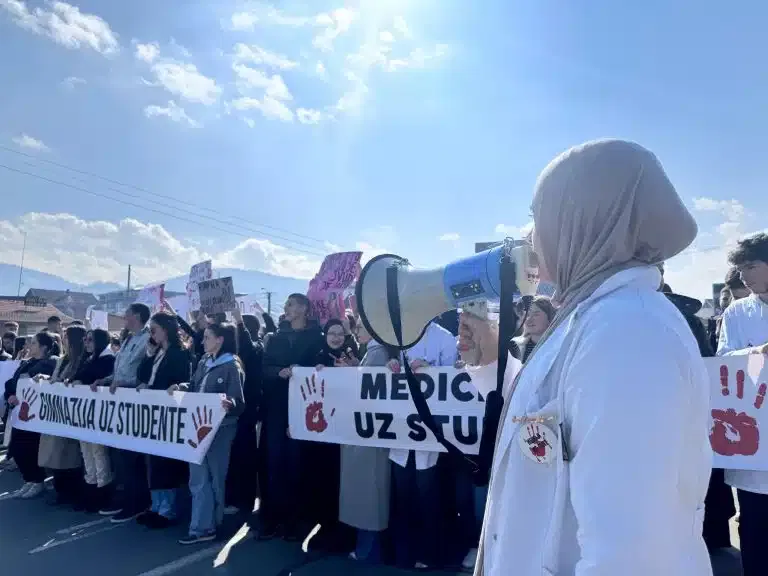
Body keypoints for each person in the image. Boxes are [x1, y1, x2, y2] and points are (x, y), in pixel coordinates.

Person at [460, 139, 711, 575]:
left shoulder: (628, 330)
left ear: (580, 218)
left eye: (537, 217)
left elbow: (628, 553)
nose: (530, 237)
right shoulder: (594, 317)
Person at [716, 232, 768, 576]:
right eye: (740, 268)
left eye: (750, 265)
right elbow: (723, 362)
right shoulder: (737, 312)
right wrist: (756, 353)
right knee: (755, 525)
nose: (743, 275)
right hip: (755, 437)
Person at [388, 319, 457, 570]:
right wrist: (392, 365)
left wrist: (431, 370)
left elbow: (453, 380)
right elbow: (390, 372)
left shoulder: (446, 338)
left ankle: (429, 554)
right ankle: (403, 553)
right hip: (400, 432)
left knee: (428, 498)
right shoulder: (399, 335)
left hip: (429, 435)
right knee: (402, 498)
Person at [169, 322, 245, 545]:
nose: (202, 341)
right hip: (198, 426)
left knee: (215, 477)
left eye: (207, 337)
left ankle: (212, 522)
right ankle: (201, 526)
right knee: (198, 478)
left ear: (220, 339)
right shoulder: (204, 362)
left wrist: (229, 403)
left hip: (221, 429)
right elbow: (193, 386)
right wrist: (181, 387)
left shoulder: (232, 365)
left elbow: (239, 402)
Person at [260, 294, 324, 541]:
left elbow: (323, 367)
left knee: (299, 463)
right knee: (274, 463)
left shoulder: (316, 338)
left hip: (307, 408)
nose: (286, 308)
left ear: (304, 308)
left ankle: (297, 520)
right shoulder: (275, 338)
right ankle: (271, 517)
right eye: (286, 305)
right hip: (277, 408)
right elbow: (264, 369)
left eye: (290, 304)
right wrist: (280, 372)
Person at [338, 321, 394, 563]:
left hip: (368, 438)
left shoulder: (376, 353)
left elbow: (366, 391)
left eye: (360, 328)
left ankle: (368, 551)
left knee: (369, 497)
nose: (356, 332)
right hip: (368, 435)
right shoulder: (374, 353)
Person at [135, 312, 191, 529]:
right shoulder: (158, 351)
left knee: (165, 463)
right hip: (153, 412)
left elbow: (180, 380)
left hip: (168, 413)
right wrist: (149, 353)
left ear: (165, 330)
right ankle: (155, 506)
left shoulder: (179, 353)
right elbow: (143, 374)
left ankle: (167, 510)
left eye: (154, 330)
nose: (151, 334)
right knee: (153, 461)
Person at [98, 303, 152, 523]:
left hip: (135, 405)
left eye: (127, 315)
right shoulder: (129, 339)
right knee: (121, 456)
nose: (124, 318)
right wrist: (107, 380)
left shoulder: (148, 340)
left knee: (133, 457)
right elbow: (119, 371)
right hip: (119, 404)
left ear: (137, 316)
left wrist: (122, 382)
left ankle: (137, 501)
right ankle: (126, 496)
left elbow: (144, 376)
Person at [36, 325, 87, 507]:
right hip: (56, 413)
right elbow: (55, 379)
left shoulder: (81, 359)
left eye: (66, 337)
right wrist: (45, 378)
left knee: (68, 454)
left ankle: (70, 492)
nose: (63, 340)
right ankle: (60, 491)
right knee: (54, 453)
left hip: (70, 414)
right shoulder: (63, 359)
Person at [4, 331, 58, 499]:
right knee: (18, 448)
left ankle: (37, 480)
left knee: (29, 448)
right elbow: (11, 383)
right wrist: (10, 395)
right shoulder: (27, 362)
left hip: (35, 415)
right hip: (20, 411)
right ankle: (29, 479)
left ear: (44, 347)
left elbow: (49, 383)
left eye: (34, 343)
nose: (29, 346)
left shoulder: (50, 363)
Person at [70, 328, 116, 513]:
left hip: (97, 414)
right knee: (86, 451)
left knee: (98, 452)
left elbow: (92, 378)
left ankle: (102, 490)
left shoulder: (108, 359)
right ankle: (90, 485)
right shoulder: (88, 359)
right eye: (85, 339)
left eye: (90, 340)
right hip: (83, 414)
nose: (86, 343)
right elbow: (79, 376)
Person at [226, 309, 263, 514]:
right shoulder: (236, 352)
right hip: (239, 409)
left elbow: (247, 347)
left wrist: (239, 321)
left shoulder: (256, 348)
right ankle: (235, 496)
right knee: (235, 454)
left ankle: (244, 500)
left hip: (248, 409)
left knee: (245, 455)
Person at [512, 296, 556, 363]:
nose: (529, 319)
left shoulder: (557, 346)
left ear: (550, 317)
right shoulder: (514, 346)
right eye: (527, 315)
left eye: (536, 314)